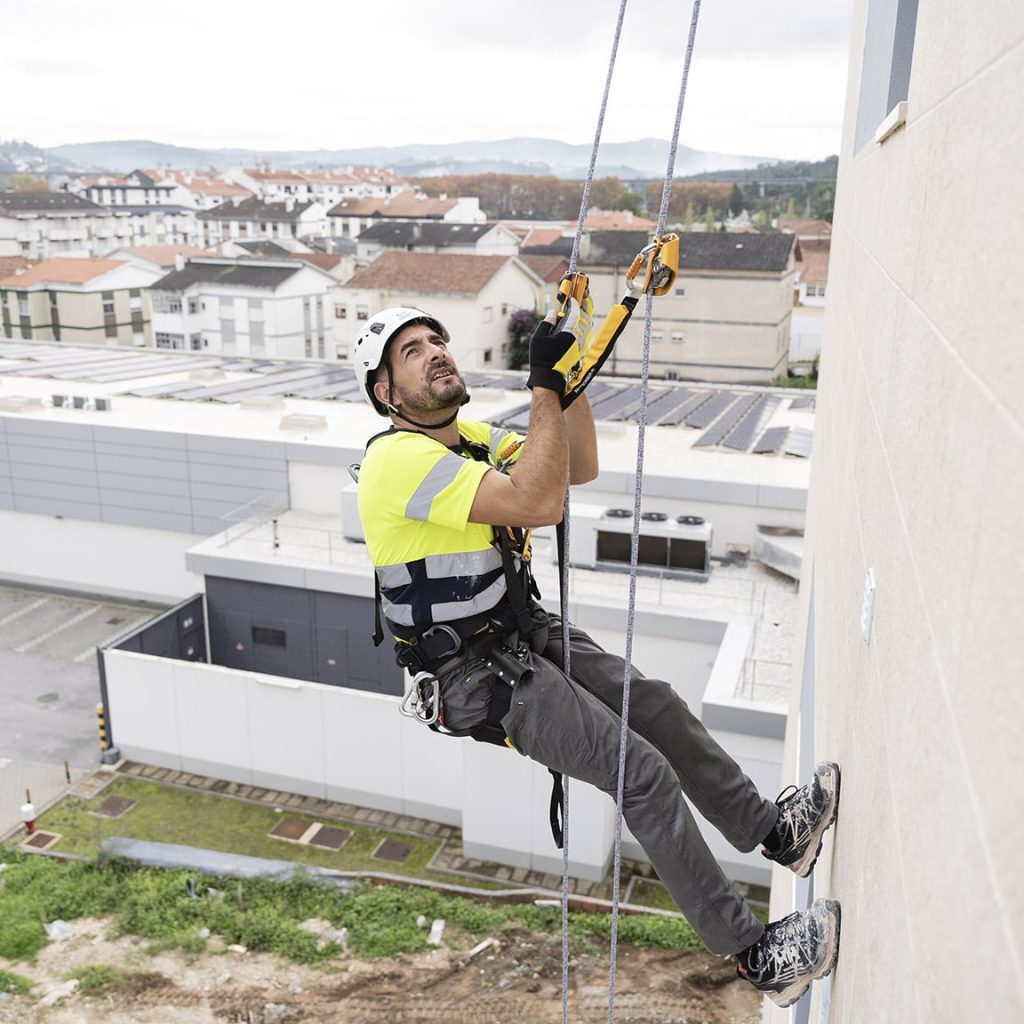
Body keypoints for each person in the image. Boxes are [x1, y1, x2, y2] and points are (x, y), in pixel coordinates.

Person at [354, 305, 841, 1008]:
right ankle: (758, 956)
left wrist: (568, 384)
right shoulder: (398, 461)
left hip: (517, 638)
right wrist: (546, 391)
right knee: (639, 774)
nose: (434, 353)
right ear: (386, 394)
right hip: (473, 677)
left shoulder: (469, 439)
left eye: (436, 341)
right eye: (410, 352)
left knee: (658, 708)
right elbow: (538, 502)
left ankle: (775, 832)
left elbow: (575, 465)